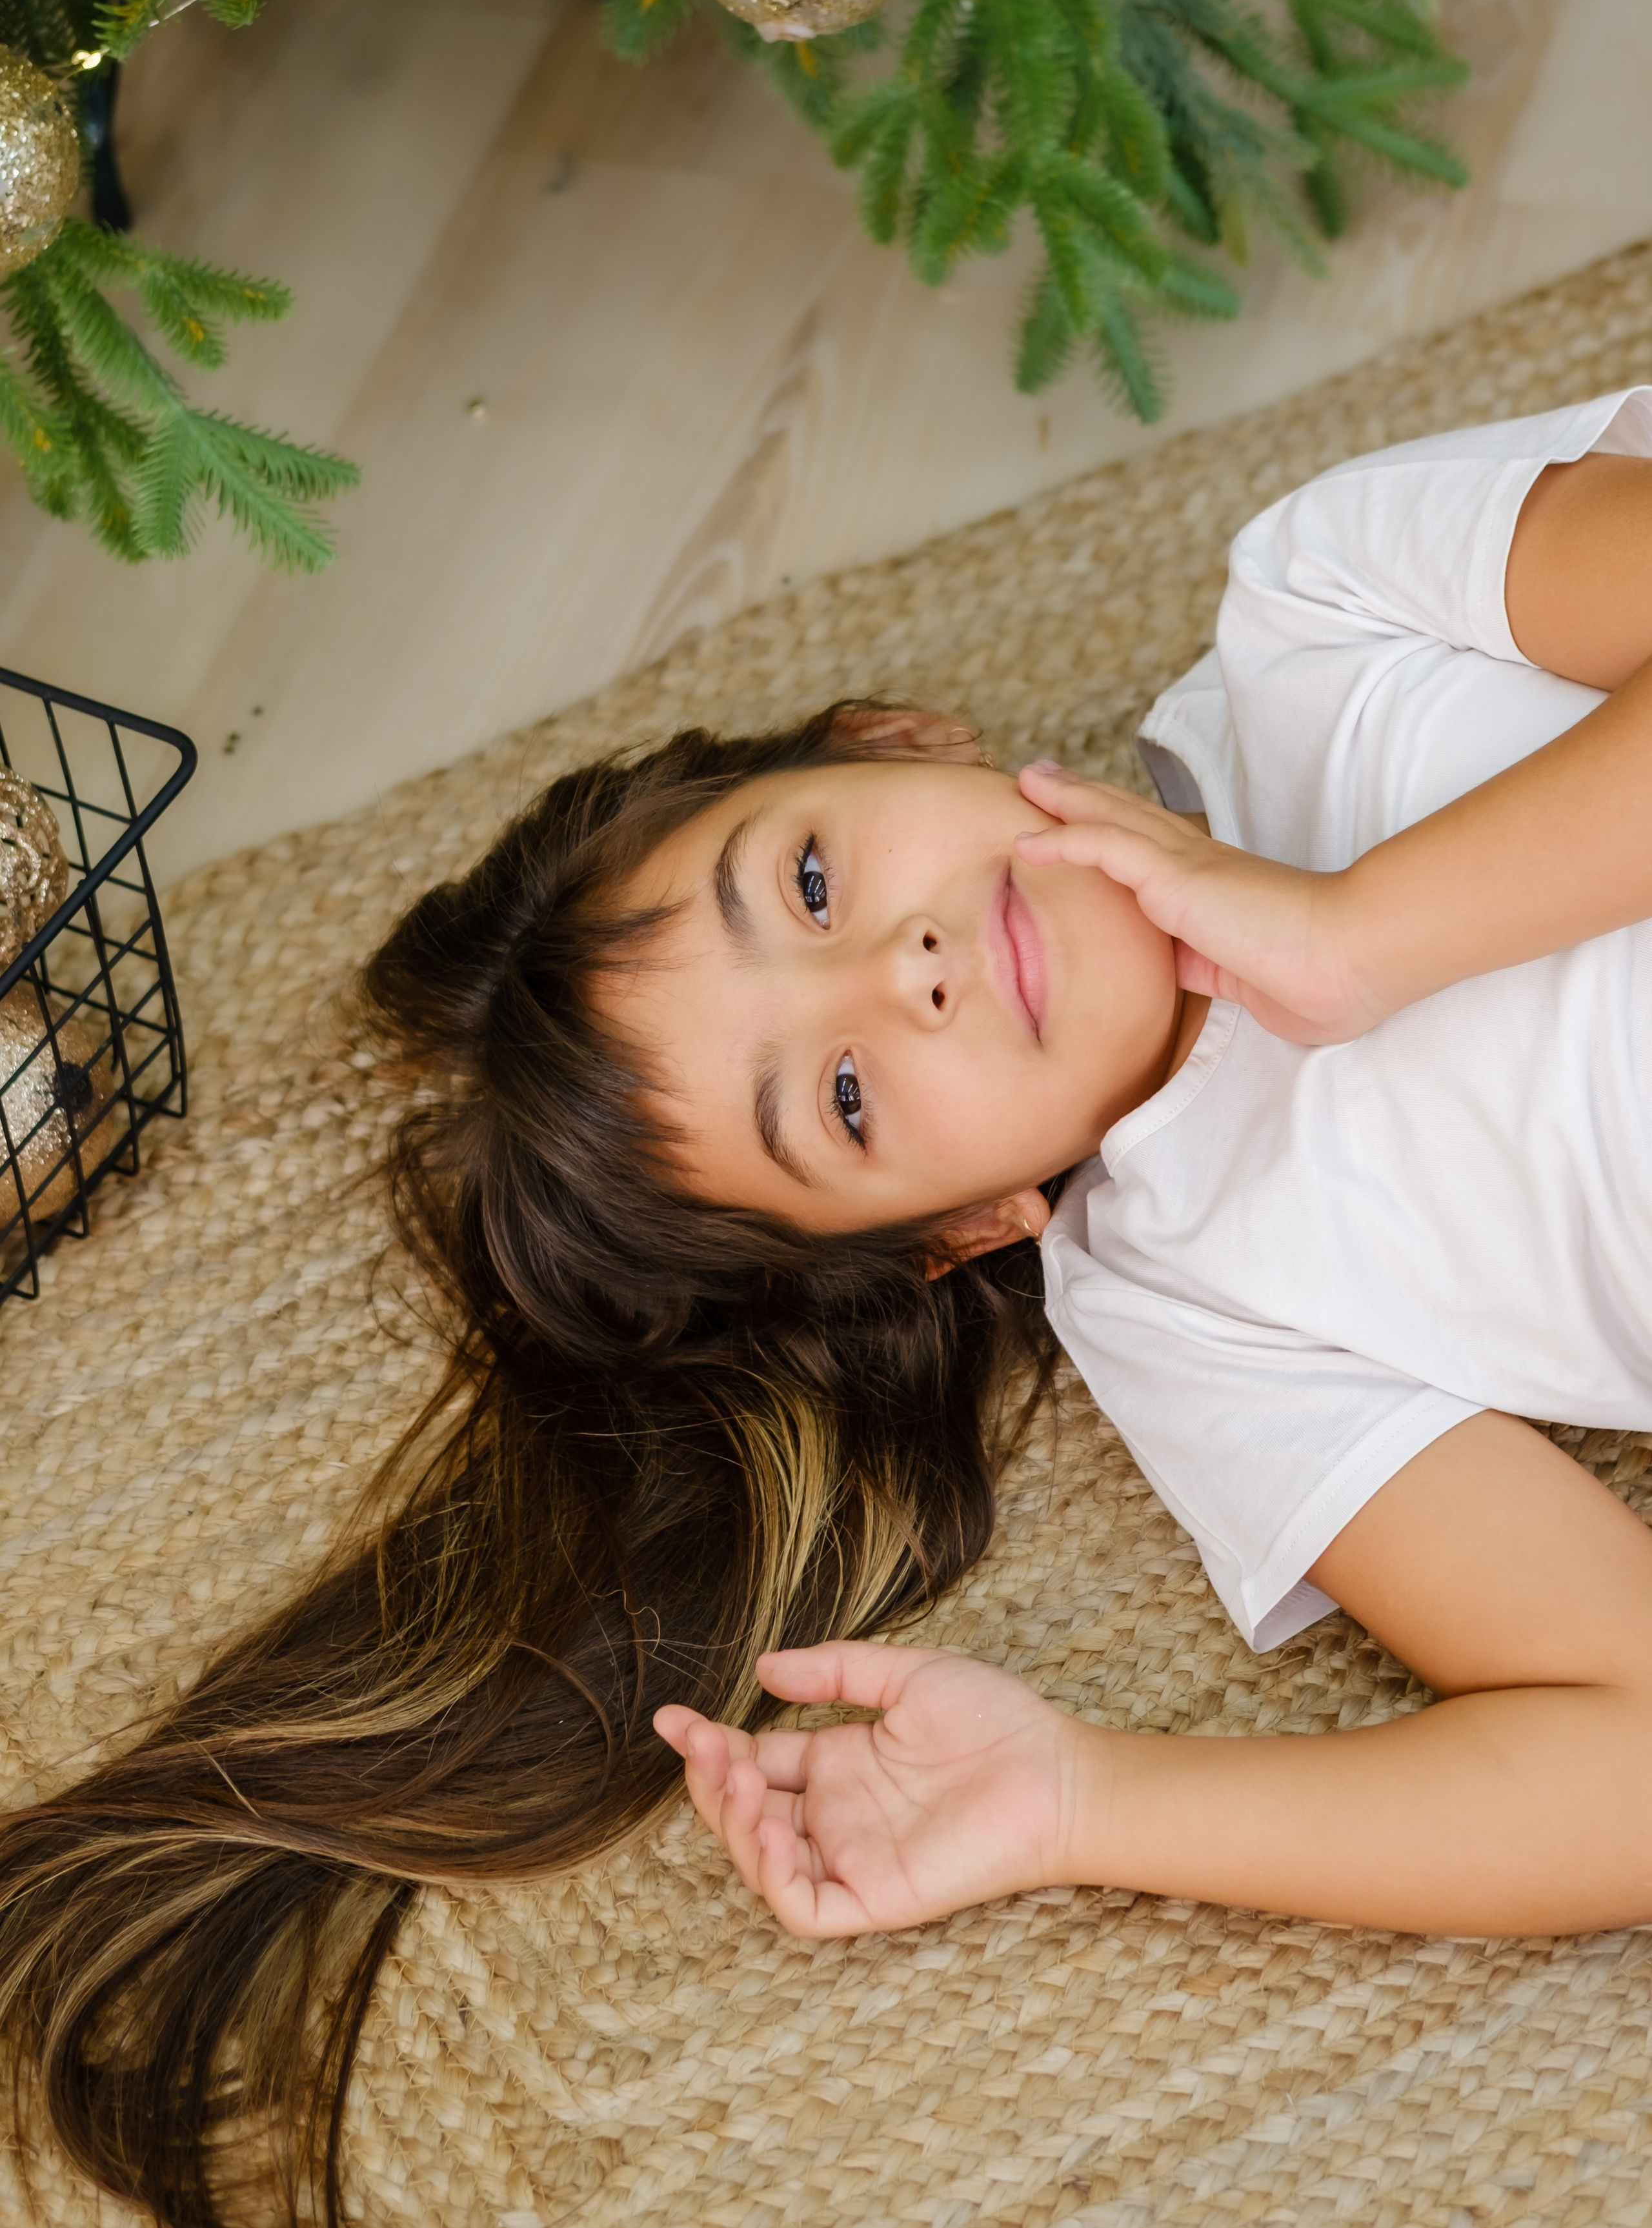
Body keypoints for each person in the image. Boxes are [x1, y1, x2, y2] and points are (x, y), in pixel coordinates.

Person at [6, 390, 1652, 2228]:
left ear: (892, 738)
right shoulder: (1185, 1303)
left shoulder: (1317, 602)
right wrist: (1081, 1800)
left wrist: (1362, 928)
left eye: (808, 881)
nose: (906, 970)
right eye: (847, 1099)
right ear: (956, 1229)